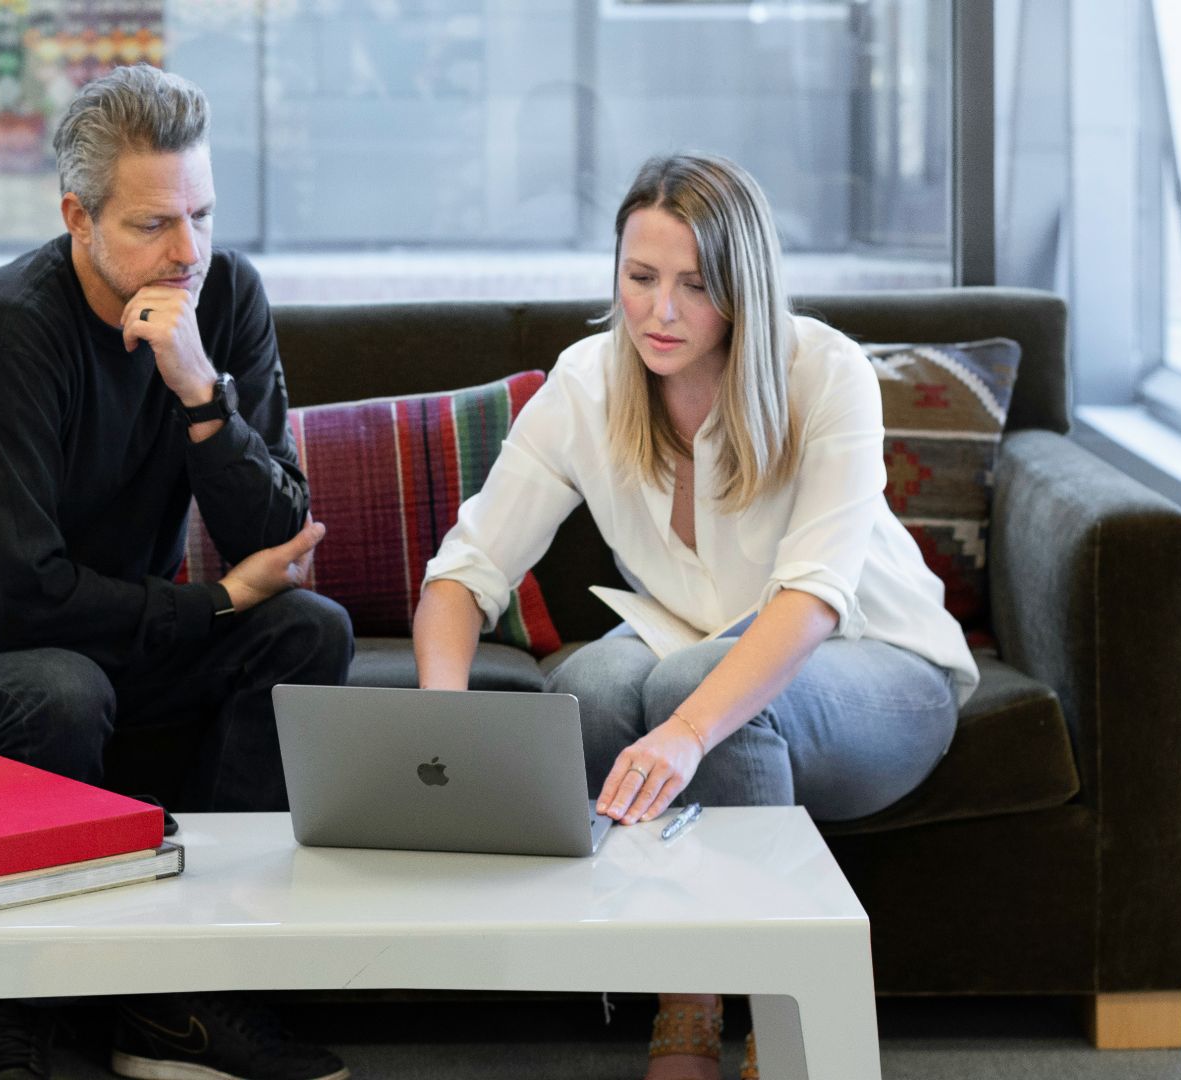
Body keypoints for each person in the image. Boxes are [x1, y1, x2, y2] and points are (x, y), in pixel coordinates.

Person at [0, 65, 353, 1080]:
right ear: (78, 216)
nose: (187, 250)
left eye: (202, 214)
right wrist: (213, 602)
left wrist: (200, 392)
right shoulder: (9, 330)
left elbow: (281, 536)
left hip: (97, 641)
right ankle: (21, 1017)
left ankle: (185, 995)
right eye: (154, 224)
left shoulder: (223, 295)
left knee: (307, 634)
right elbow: (20, 601)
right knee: (60, 691)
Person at [410, 153, 978, 1080]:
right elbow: (464, 574)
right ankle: (685, 990)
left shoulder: (824, 370)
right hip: (695, 644)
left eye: (696, 285)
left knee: (691, 682)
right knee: (590, 684)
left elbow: (813, 598)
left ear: (743, 289)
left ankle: (775, 1022)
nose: (660, 312)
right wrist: (444, 722)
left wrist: (686, 730)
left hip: (884, 664)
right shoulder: (587, 383)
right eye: (640, 278)